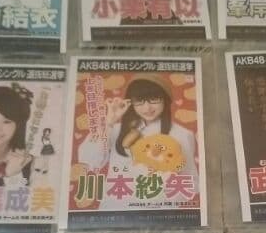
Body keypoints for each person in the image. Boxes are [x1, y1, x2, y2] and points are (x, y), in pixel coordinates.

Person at [77, 75, 198, 209]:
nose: (147, 107)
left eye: (154, 99)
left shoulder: (182, 134)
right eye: (139, 101)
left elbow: (190, 181)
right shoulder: (115, 129)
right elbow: (90, 159)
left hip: (156, 213)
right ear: (131, 102)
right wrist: (109, 121)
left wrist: (159, 196)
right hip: (115, 209)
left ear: (165, 99)